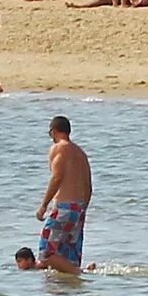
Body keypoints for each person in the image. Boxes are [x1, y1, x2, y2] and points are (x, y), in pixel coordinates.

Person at [35, 115, 91, 277]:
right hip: (79, 207)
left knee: (46, 253)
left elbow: (57, 177)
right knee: (68, 257)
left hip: (64, 207)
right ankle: (68, 290)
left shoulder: (59, 148)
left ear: (53, 131)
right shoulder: (81, 153)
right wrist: (82, 209)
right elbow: (88, 185)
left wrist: (44, 205)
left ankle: (80, 274)